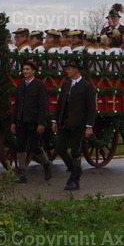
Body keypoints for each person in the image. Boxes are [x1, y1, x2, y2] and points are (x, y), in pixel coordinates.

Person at [51, 58, 96, 191]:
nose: (67, 71)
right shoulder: (66, 85)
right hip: (64, 122)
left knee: (76, 150)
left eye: (69, 68)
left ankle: (74, 180)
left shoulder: (87, 86)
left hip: (78, 123)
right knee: (60, 148)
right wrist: (55, 120)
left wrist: (89, 126)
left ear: (76, 70)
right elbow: (60, 104)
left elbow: (91, 108)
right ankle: (75, 169)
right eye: (66, 69)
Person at [10, 61, 53, 182]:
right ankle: (22, 172)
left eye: (28, 69)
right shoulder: (21, 85)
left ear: (33, 71)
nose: (25, 71)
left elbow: (43, 106)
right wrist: (14, 121)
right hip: (21, 120)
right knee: (20, 146)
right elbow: (17, 104)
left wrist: (41, 123)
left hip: (33, 121)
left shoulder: (40, 86)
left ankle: (46, 163)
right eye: (24, 69)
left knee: (35, 147)